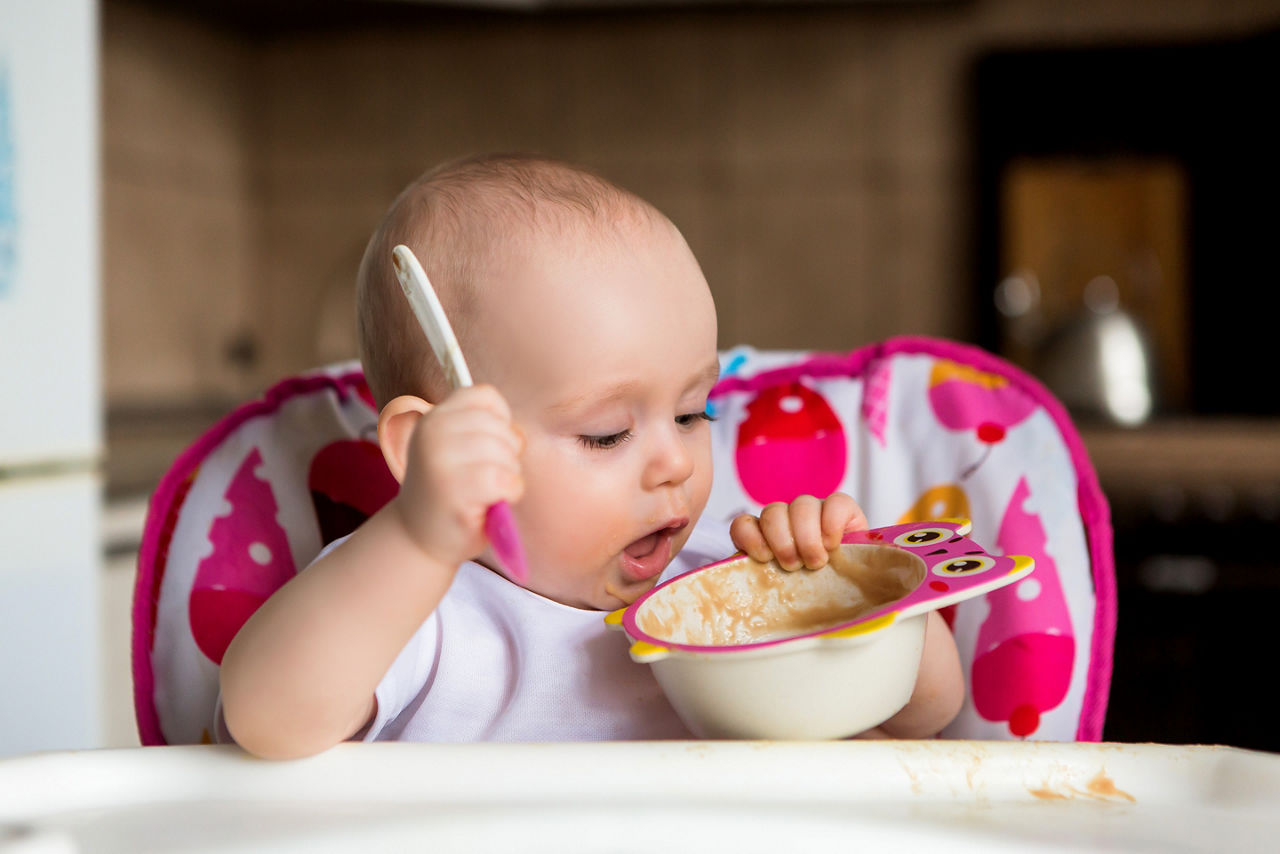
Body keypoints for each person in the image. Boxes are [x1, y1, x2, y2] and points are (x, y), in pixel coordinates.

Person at [218, 154, 963, 759]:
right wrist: (417, 536)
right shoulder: (416, 612)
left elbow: (923, 716)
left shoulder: (729, 592)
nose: (673, 463)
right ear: (426, 450)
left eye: (692, 412)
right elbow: (265, 720)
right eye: (607, 433)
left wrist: (861, 594)